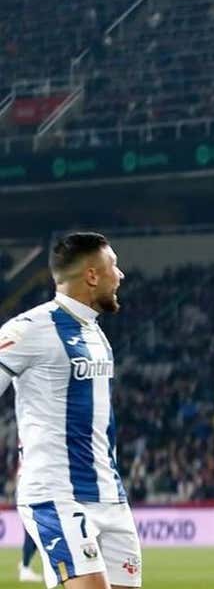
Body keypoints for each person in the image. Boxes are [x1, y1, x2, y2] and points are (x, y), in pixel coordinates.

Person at [0, 232, 142, 589]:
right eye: (113, 265)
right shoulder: (29, 328)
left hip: (110, 496)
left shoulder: (95, 332)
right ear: (92, 275)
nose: (120, 274)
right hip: (57, 495)